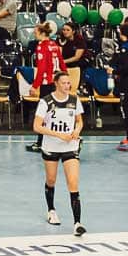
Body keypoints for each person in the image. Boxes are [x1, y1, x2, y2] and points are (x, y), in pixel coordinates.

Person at [33, 70, 86, 234]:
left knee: (73, 182)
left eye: (68, 83)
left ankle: (77, 223)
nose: (67, 86)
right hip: (51, 147)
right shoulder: (46, 102)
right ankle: (51, 210)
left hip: (70, 146)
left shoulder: (74, 100)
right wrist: (58, 135)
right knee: (51, 180)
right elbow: (37, 126)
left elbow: (79, 121)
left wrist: (77, 130)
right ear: (56, 84)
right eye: (64, 83)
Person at [25, 21, 65, 153]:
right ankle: (54, 141)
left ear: (42, 33)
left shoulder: (42, 46)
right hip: (56, 83)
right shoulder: (54, 45)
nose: (34, 35)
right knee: (55, 113)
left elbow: (41, 69)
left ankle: (41, 143)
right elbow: (62, 63)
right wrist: (66, 79)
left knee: (43, 113)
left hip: (47, 84)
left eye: (36, 33)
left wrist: (35, 86)